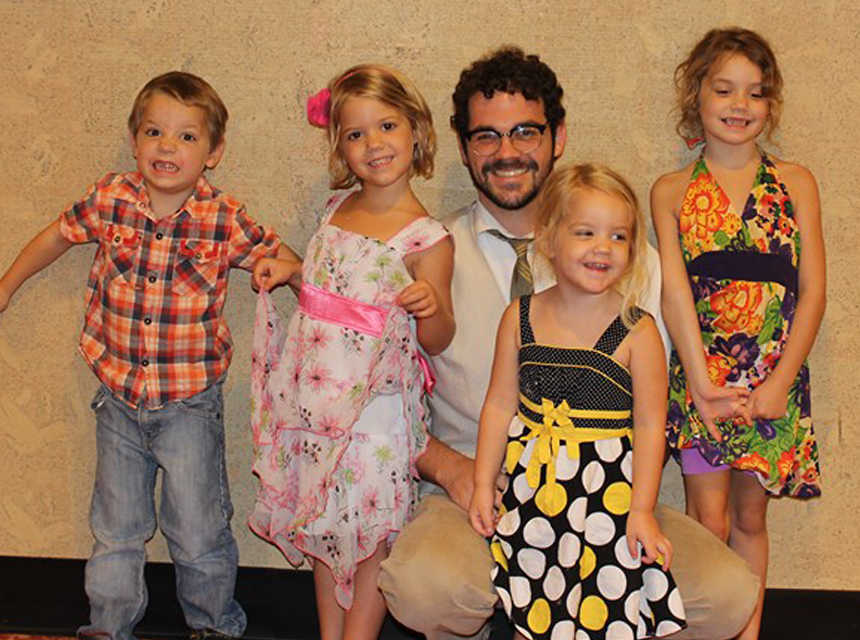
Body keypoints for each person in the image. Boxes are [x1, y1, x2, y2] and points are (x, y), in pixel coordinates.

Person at [378, 46, 759, 640]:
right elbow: (372, 394)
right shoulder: (425, 254)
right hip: (475, 492)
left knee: (727, 595)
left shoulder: (633, 266)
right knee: (425, 585)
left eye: (525, 132)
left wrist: (704, 399)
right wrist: (452, 468)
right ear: (464, 148)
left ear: (558, 136)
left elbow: (660, 392)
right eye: (486, 136)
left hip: (606, 490)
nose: (506, 152)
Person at [0, 71, 301, 640]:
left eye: (187, 137)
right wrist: (8, 283)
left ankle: (213, 626)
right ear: (135, 140)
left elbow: (287, 260)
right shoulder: (111, 198)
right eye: (154, 131)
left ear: (214, 153)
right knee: (116, 529)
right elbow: (57, 236)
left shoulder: (223, 217)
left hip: (190, 406)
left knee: (198, 529)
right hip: (117, 399)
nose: (168, 147)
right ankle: (108, 627)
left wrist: (293, 273)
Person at [246, 64, 454, 640]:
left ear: (416, 131)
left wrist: (429, 307)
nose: (374, 144)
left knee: (368, 538)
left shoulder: (426, 237)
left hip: (375, 417)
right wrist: (291, 272)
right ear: (340, 146)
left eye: (386, 126)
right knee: (321, 524)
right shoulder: (336, 209)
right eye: (356, 134)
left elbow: (439, 340)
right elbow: (327, 293)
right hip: (315, 404)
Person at [652, 27, 825, 639]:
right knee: (709, 521)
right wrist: (699, 384)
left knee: (752, 521)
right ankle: (707, 628)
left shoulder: (796, 183)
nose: (739, 105)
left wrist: (778, 383)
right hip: (702, 385)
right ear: (696, 96)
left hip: (774, 386)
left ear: (770, 105)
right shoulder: (672, 192)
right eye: (724, 89)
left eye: (755, 93)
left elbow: (813, 294)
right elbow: (674, 295)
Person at [470, 163, 686, 639]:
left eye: (618, 237)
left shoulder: (638, 330)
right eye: (586, 232)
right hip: (530, 492)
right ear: (548, 239)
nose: (602, 248)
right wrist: (484, 483)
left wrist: (643, 510)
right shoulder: (519, 316)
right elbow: (498, 405)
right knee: (533, 602)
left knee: (603, 608)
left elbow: (651, 426)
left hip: (607, 497)